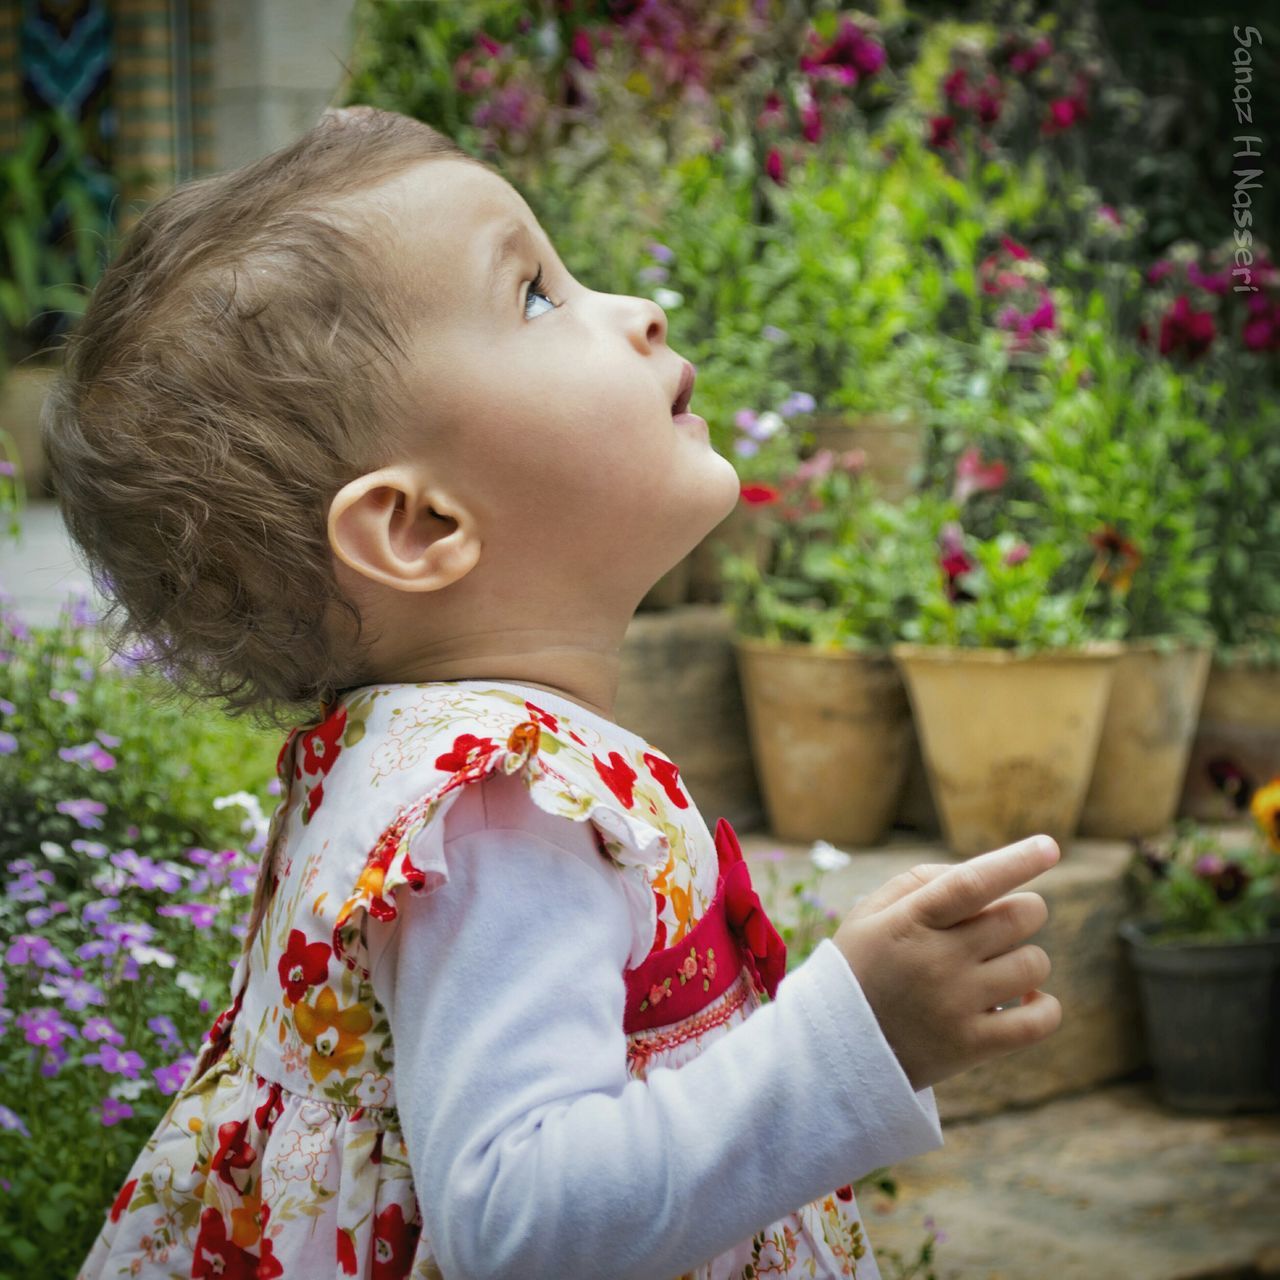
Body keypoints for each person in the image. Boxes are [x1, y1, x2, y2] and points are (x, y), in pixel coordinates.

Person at [45, 105, 1062, 1280]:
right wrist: (853, 1036)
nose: (640, 311)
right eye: (536, 295)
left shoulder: (426, 757)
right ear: (421, 524)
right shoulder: (493, 805)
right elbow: (520, 1222)